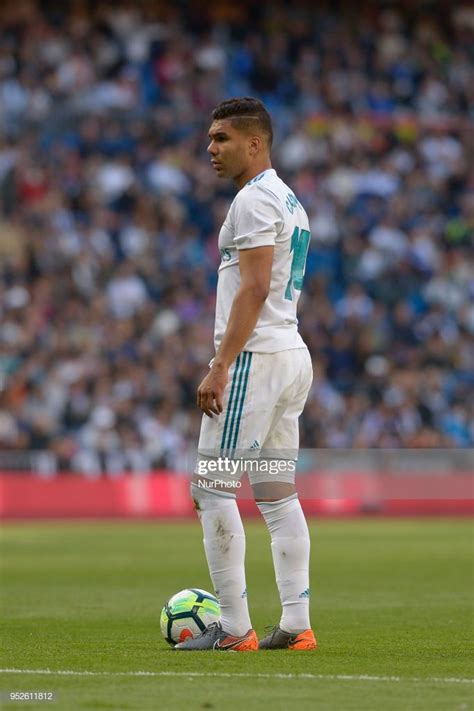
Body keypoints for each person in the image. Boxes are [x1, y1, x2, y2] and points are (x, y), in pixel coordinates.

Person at [175, 97, 317, 652]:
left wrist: (220, 365)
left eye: (221, 139)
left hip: (255, 363)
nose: (210, 149)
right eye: (210, 139)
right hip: (290, 357)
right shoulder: (289, 200)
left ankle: (234, 630)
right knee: (278, 495)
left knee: (210, 491)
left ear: (254, 143)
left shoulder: (255, 201)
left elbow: (255, 288)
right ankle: (296, 624)